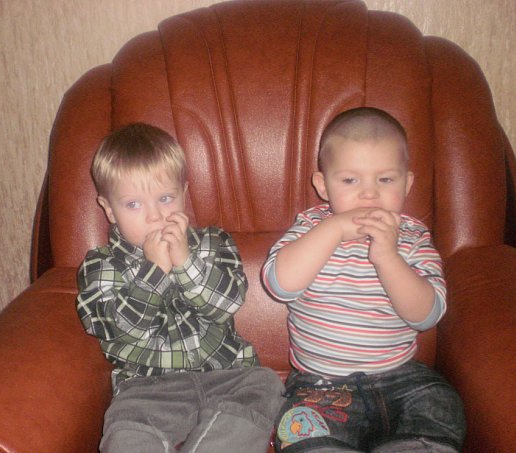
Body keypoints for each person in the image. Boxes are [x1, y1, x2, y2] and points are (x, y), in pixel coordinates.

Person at [261, 107, 466, 452]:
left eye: (385, 180)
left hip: (403, 379)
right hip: (319, 388)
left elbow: (426, 315)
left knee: (441, 404)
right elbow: (279, 284)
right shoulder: (310, 229)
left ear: (407, 183)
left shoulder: (412, 237)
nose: (369, 195)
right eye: (350, 181)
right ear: (323, 185)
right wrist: (334, 229)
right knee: (299, 429)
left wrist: (389, 258)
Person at [76, 123, 285, 452]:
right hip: (148, 388)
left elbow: (227, 304)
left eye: (165, 198)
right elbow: (120, 331)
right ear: (109, 209)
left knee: (265, 385)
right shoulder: (101, 265)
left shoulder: (214, 243)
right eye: (133, 204)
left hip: (229, 374)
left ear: (184, 194)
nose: (155, 216)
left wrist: (186, 262)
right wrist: (154, 272)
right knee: (125, 433)